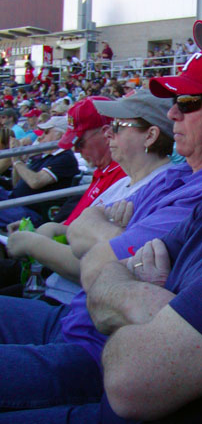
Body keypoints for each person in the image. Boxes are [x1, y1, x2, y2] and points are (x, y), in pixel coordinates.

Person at [0, 51, 202, 415]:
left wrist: (102, 237)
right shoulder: (180, 175)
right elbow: (86, 228)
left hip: (94, 352)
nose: (172, 113)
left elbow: (100, 255)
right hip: (72, 318)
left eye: (188, 102)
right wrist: (104, 233)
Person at [6, 90, 175, 304]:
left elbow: (109, 265)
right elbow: (84, 235)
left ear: (150, 136)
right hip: (55, 289)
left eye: (118, 127)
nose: (108, 134)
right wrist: (57, 229)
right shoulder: (124, 182)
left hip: (71, 305)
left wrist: (33, 244)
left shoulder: (161, 189)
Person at [0, 116, 79, 228]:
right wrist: (17, 160)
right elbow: (16, 184)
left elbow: (35, 182)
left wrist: (17, 160)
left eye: (46, 132)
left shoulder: (64, 158)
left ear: (60, 135)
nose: (41, 136)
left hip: (31, 213)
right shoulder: (44, 156)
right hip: (16, 201)